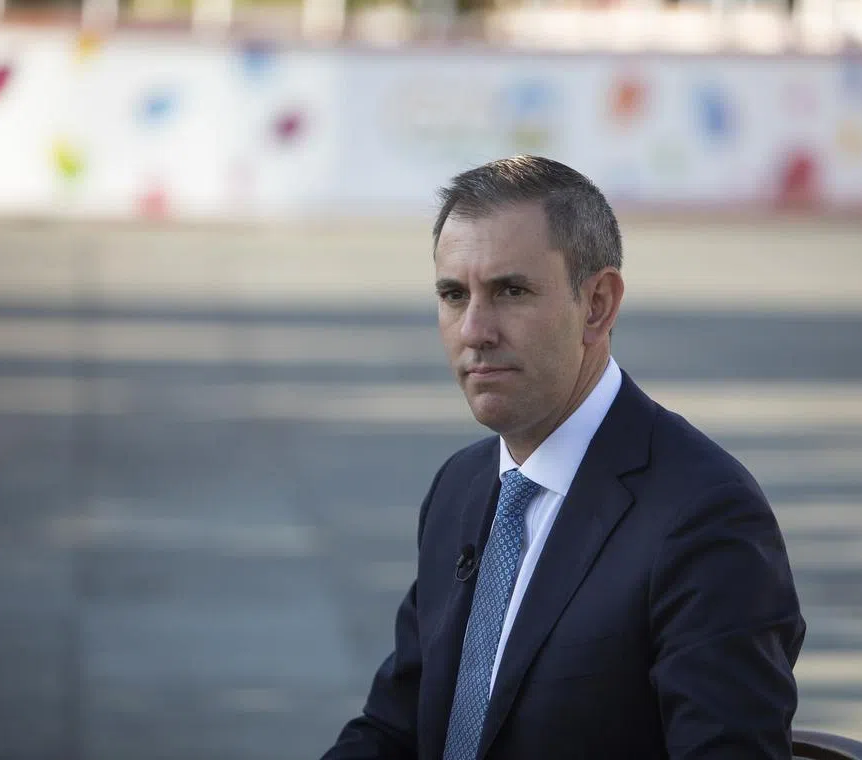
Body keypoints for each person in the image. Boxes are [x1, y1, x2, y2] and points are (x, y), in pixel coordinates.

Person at [321, 156, 806, 760]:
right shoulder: (461, 487)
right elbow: (394, 730)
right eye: (453, 295)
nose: (474, 330)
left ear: (597, 305)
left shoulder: (704, 516)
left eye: (511, 291)